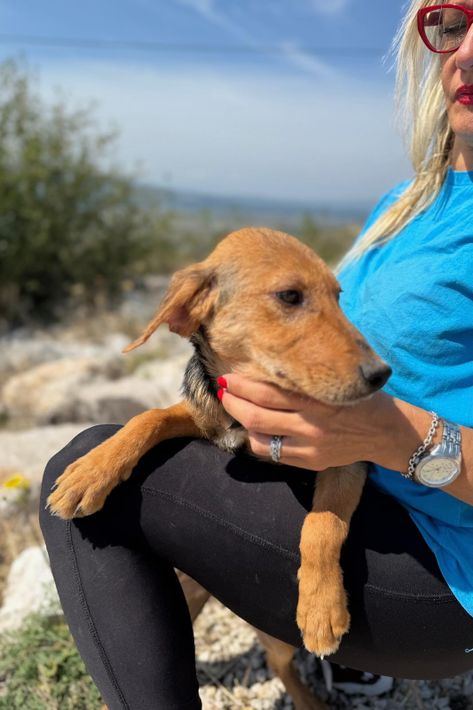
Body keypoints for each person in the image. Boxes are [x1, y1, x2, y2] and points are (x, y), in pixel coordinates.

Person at [40, 1, 473, 708]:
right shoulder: (408, 203)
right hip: (363, 503)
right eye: (453, 24)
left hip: (443, 577)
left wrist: (396, 437)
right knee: (122, 449)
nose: (466, 53)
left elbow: (369, 428)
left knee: (89, 471)